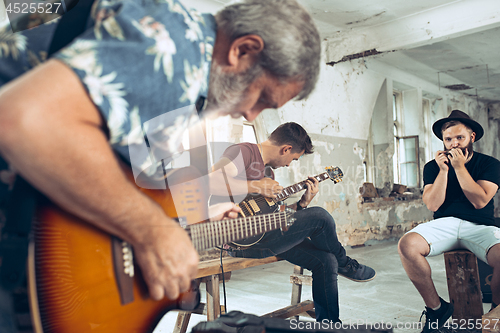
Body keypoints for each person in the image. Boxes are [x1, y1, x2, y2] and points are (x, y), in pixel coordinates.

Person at [0, 0, 321, 331]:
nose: (251, 115)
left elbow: (136, 162)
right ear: (243, 50)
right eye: (262, 98)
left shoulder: (189, 80)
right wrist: (149, 230)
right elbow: (22, 121)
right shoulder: (170, 44)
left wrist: (199, 204)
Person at [208, 122, 376, 323]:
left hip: (264, 236)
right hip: (239, 239)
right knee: (320, 216)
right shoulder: (243, 152)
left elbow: (278, 219)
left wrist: (303, 203)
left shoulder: (268, 173)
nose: (289, 164)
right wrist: (256, 186)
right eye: (293, 158)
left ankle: (330, 326)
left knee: (325, 261)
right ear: (286, 149)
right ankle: (345, 264)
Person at [398, 110, 500, 333]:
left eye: (460, 138)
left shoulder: (490, 164)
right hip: (444, 224)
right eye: (448, 139)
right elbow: (433, 205)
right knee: (407, 244)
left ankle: (495, 312)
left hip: (480, 226)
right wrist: (444, 171)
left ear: (472, 137)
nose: (454, 144)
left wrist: (459, 167)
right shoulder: (433, 167)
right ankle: (436, 309)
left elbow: (480, 201)